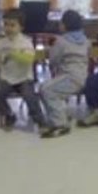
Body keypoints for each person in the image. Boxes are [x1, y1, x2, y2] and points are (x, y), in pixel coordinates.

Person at [0, 8, 50, 134]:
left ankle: (40, 121)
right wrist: (2, 62)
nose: (8, 28)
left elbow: (29, 59)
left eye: (12, 25)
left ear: (21, 27)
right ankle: (9, 115)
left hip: (24, 78)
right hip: (7, 78)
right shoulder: (1, 42)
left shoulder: (26, 42)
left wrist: (14, 54)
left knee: (30, 96)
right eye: (6, 24)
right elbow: (0, 60)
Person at [39, 9, 89, 138]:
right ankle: (61, 116)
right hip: (82, 77)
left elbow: (53, 60)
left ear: (65, 25)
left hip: (70, 77)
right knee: (53, 90)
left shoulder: (61, 41)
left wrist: (51, 48)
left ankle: (60, 124)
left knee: (46, 90)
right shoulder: (85, 39)